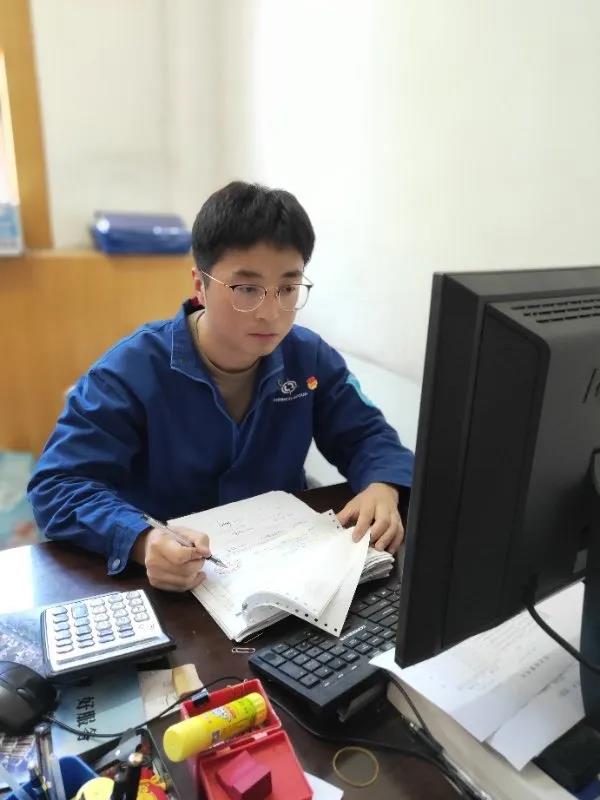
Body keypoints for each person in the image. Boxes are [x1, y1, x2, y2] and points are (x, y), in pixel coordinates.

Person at [28, 182, 414, 592]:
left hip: (282, 567)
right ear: (200, 284)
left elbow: (368, 435)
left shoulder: (309, 358)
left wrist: (382, 485)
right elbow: (58, 486)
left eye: (287, 288)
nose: (270, 313)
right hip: (175, 577)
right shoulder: (130, 371)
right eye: (247, 289)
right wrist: (142, 540)